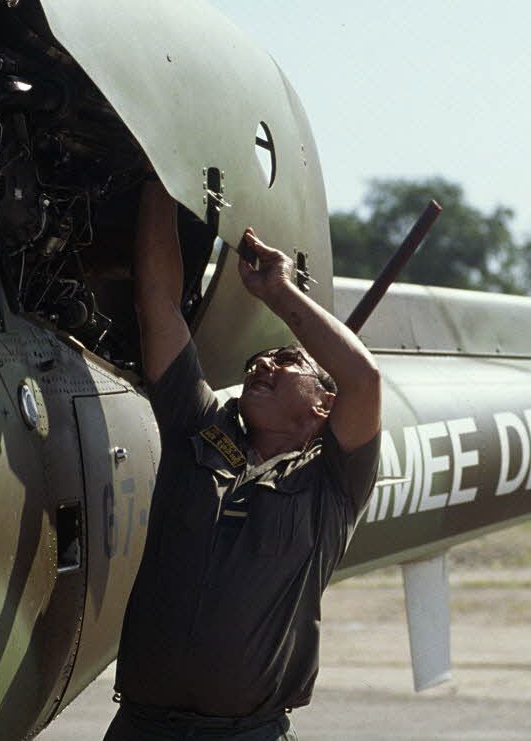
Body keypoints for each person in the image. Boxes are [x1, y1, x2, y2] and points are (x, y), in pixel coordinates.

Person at [105, 180, 382, 741]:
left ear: (323, 406)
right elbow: (157, 303)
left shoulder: (332, 481)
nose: (263, 365)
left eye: (286, 361)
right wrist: (161, 181)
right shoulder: (197, 428)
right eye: (260, 358)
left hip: (245, 733)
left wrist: (278, 292)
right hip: (141, 726)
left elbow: (364, 378)